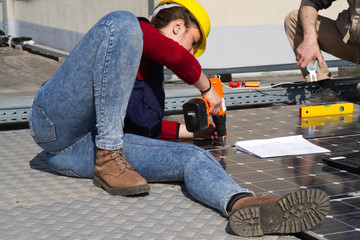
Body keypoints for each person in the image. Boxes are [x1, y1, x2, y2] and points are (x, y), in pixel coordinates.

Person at [29, 0, 330, 237]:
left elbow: (141, 130)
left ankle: (241, 203)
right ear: (177, 27)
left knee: (191, 158)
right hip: (55, 122)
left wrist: (192, 134)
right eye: (192, 42)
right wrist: (206, 88)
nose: (191, 53)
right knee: (121, 21)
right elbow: (169, 52)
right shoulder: (136, 32)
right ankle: (108, 156)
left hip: (79, 154)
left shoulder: (151, 82)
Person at [284, 0, 360, 102]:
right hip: (353, 42)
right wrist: (309, 38)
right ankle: (327, 88)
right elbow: (310, 2)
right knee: (295, 19)